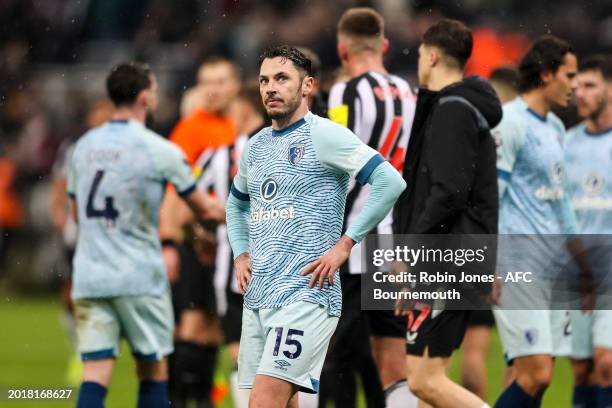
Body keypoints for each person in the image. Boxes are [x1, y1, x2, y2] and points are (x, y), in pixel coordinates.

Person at [226, 45, 406, 408]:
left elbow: (390, 182)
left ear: (307, 86)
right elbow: (236, 203)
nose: (270, 88)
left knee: (263, 402)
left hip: (307, 294)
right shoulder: (256, 146)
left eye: (281, 79)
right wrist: (240, 253)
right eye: (264, 80)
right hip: (260, 296)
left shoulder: (324, 135)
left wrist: (345, 245)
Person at [68, 62, 224, 408]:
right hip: (139, 275)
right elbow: (206, 209)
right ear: (144, 97)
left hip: (91, 275)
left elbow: (76, 214)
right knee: (153, 370)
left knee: (95, 373)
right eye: (153, 90)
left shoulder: (83, 147)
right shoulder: (159, 150)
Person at [393, 19, 502, 408]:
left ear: (433, 55)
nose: (420, 62)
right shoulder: (460, 108)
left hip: (446, 256)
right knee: (429, 383)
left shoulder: (452, 110)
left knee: (425, 382)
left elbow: (448, 193)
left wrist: (409, 253)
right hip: (455, 252)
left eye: (421, 55)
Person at [326, 7, 417, 408]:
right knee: (393, 360)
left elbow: (335, 163)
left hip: (352, 239)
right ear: (384, 45)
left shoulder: (343, 93)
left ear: (342, 49)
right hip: (396, 243)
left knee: (333, 352)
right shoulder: (411, 93)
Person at [491, 36, 580, 408]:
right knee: (535, 373)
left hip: (555, 267)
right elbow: (491, 197)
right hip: (518, 265)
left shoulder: (556, 127)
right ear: (546, 75)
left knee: (541, 379)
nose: (574, 85)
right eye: (569, 75)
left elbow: (562, 203)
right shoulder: (510, 122)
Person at [162, 55, 241, 408]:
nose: (213, 89)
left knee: (212, 327)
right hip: (200, 241)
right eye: (206, 82)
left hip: (232, 244)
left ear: (235, 85)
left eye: (220, 81)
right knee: (194, 323)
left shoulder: (240, 125)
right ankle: (179, 399)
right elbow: (175, 192)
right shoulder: (194, 128)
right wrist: (177, 239)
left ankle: (203, 399)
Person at [565, 54, 612, 408]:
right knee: (582, 369)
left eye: (590, 86)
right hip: (576, 274)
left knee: (607, 363)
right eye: (577, 85)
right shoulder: (566, 143)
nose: (579, 93)